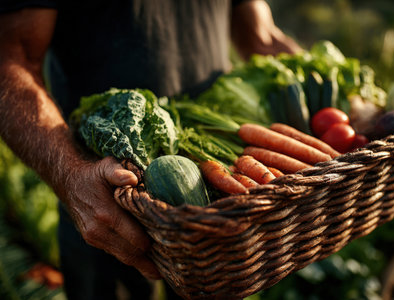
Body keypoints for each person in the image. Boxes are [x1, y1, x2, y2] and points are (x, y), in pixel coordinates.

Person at [0, 0, 301, 299]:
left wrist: (337, 90)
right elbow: (10, 58)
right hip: (106, 199)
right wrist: (70, 176)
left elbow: (263, 38)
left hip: (218, 216)